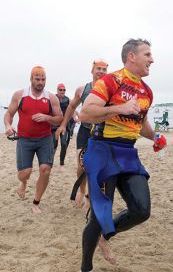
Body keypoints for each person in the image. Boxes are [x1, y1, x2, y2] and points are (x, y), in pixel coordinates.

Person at [78, 38, 167, 272]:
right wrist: (119, 108)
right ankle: (86, 267)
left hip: (128, 153)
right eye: (147, 54)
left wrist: (155, 137)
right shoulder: (111, 81)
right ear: (131, 57)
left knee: (141, 210)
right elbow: (85, 113)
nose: (152, 59)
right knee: (99, 215)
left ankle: (106, 235)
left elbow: (141, 125)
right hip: (102, 150)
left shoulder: (147, 91)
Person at [4, 66, 63, 213]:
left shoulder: (51, 97)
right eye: (37, 79)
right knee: (25, 173)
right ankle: (23, 183)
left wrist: (47, 117)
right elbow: (9, 114)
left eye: (43, 79)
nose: (40, 82)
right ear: (31, 79)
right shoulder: (19, 95)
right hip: (25, 139)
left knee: (45, 169)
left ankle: (36, 202)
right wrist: (8, 125)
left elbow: (59, 119)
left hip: (45, 139)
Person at [55, 59, 108, 208]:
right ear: (92, 71)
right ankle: (81, 190)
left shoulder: (111, 89)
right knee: (81, 166)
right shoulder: (82, 89)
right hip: (85, 131)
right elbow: (72, 107)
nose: (101, 72)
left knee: (95, 168)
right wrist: (64, 125)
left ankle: (89, 197)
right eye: (98, 68)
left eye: (104, 69)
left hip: (101, 133)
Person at [52, 83, 78, 170]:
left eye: (64, 90)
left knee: (63, 144)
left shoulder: (68, 100)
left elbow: (73, 108)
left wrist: (75, 117)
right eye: (60, 89)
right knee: (54, 145)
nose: (62, 91)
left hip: (64, 125)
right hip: (54, 125)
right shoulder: (53, 98)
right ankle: (50, 162)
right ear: (57, 90)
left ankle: (61, 164)